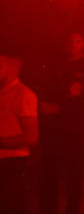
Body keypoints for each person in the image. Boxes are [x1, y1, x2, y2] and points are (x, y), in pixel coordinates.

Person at [39, 32, 84, 214]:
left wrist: (62, 108)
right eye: (70, 41)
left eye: (78, 41)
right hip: (54, 128)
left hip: (74, 129)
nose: (73, 44)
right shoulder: (58, 65)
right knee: (50, 173)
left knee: (73, 174)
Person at [0, 49, 39, 214]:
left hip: (13, 165)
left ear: (10, 68)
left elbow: (31, 137)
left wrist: (2, 142)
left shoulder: (24, 94)